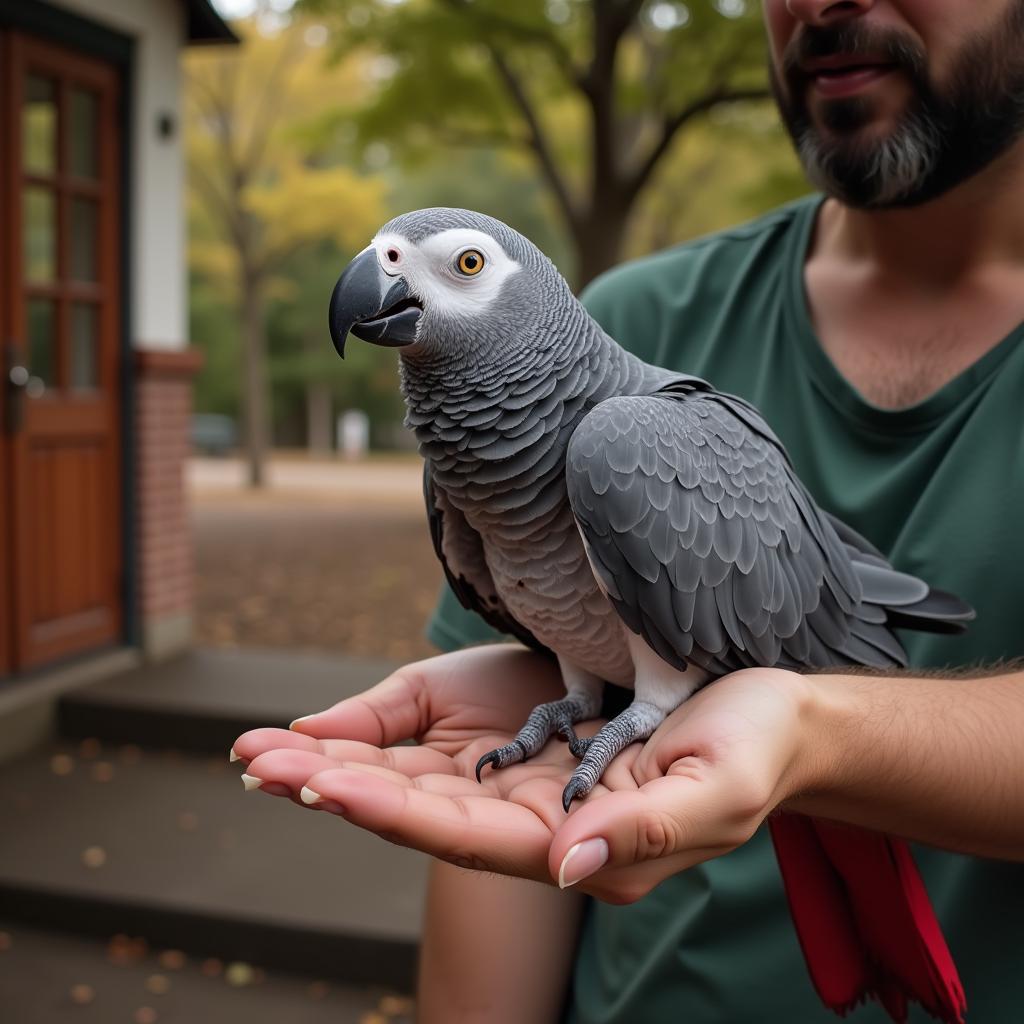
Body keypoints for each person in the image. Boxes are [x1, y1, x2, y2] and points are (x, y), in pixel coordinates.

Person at [234, 0, 1024, 1020]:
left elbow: (808, 701)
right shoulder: (512, 437)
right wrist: (580, 693)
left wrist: (817, 734)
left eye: (466, 265)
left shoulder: (635, 434)